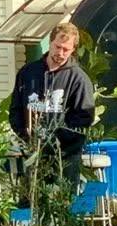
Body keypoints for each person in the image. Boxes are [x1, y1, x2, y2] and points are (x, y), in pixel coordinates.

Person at [8, 22, 97, 177]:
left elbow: (84, 119)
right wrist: (25, 137)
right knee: (30, 199)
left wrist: (57, 142)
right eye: (57, 47)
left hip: (65, 158)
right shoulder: (28, 73)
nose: (60, 53)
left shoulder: (79, 79)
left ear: (73, 50)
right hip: (32, 154)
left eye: (66, 49)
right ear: (50, 43)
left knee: (62, 200)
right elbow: (16, 109)